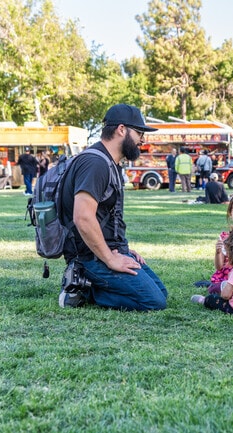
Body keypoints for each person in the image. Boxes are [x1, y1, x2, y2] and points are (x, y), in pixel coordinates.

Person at [57, 103, 168, 311]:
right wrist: (110, 259)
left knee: (161, 293)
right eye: (139, 133)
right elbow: (82, 217)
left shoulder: (110, 162)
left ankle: (90, 284)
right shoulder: (95, 163)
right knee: (153, 302)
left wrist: (124, 250)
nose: (142, 140)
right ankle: (82, 286)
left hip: (111, 249)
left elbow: (105, 216)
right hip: (90, 256)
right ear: (122, 129)